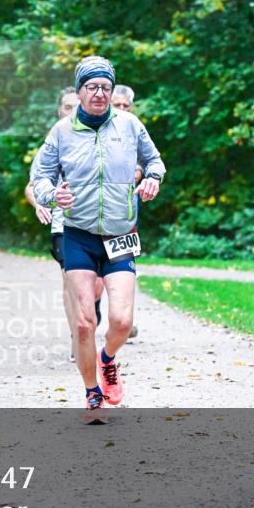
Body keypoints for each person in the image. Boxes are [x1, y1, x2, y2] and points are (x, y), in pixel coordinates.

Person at [31, 56, 166, 423]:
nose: (99, 93)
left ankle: (107, 360)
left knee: (121, 322)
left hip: (120, 235)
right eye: (92, 87)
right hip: (78, 235)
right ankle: (92, 391)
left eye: (105, 87)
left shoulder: (130, 125)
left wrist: (152, 178)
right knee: (83, 323)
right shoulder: (61, 131)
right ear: (79, 92)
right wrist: (50, 195)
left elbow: (155, 161)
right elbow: (39, 176)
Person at [25, 87, 104, 363]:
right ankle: (78, 338)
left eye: (76, 105)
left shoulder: (99, 135)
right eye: (67, 107)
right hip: (64, 224)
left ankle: (91, 318)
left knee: (95, 285)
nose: (72, 111)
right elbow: (32, 186)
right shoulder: (55, 141)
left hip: (100, 223)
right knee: (71, 282)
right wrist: (39, 205)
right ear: (60, 111)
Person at [112, 85, 142, 340]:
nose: (122, 110)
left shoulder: (134, 128)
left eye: (126, 106)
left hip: (126, 210)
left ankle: (126, 318)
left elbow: (145, 161)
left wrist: (136, 174)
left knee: (125, 262)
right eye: (117, 105)